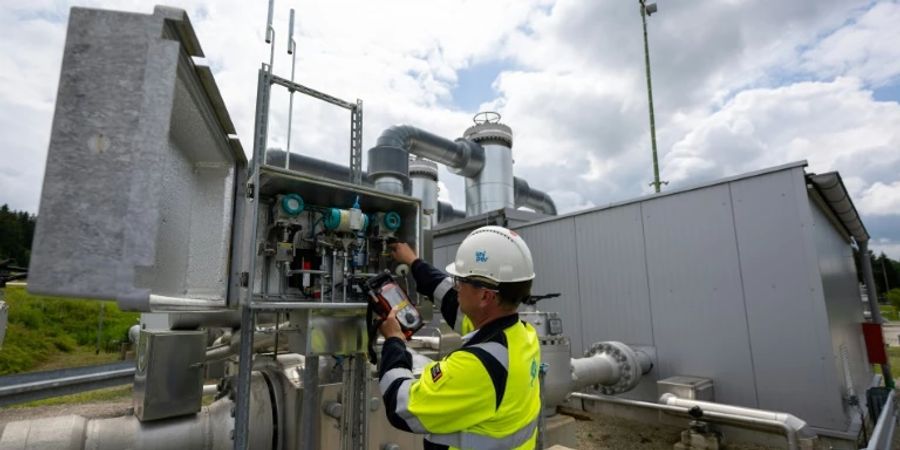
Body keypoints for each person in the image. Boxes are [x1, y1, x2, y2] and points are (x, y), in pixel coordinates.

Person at [377, 226, 541, 450]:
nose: (456, 287)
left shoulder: (478, 366)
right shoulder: (523, 335)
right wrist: (414, 262)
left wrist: (394, 341)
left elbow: (401, 407)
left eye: (460, 282)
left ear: (485, 296)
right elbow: (449, 299)